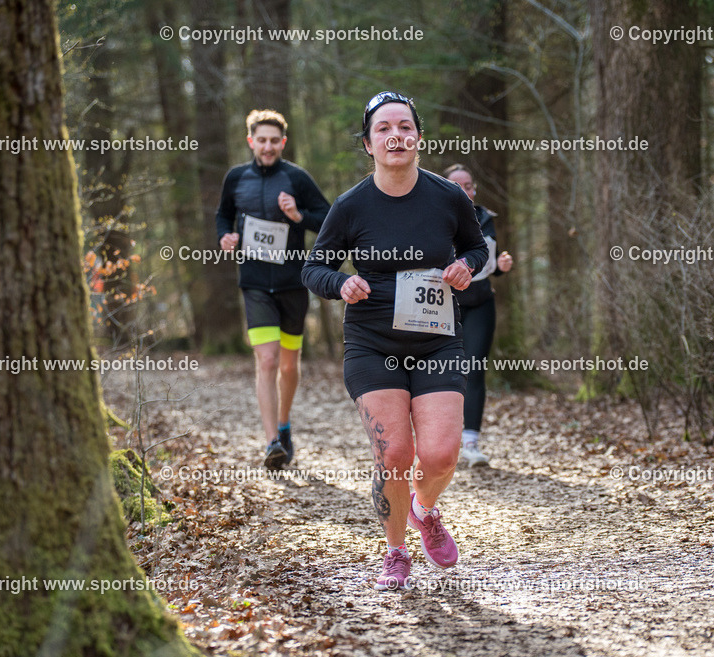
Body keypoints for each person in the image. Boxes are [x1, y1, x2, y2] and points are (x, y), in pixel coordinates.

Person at [302, 92, 488, 590]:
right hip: (373, 344)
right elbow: (313, 268)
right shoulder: (351, 206)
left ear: (419, 138)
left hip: (436, 340)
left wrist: (465, 267)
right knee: (396, 455)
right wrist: (341, 283)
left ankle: (424, 510)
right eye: (383, 129)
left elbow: (475, 248)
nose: (395, 135)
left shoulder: (448, 197)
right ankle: (395, 551)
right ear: (369, 143)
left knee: (442, 453)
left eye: (404, 126)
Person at [216, 109, 331, 469]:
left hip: (292, 283)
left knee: (289, 365)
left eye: (273, 141)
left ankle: (284, 425)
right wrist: (225, 236)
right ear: (251, 141)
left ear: (283, 143)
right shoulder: (236, 178)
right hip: (254, 284)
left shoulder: (296, 178)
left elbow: (328, 217)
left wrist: (298, 216)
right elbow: (222, 214)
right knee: (266, 360)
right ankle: (271, 443)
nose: (267, 146)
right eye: (260, 140)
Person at [443, 164, 513, 467]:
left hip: (481, 301)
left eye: (469, 185)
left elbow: (485, 261)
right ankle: (442, 442)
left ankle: (470, 443)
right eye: (457, 186)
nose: (465, 191)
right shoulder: (436, 216)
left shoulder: (486, 217)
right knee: (442, 371)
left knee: (473, 369)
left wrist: (500, 265)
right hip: (443, 303)